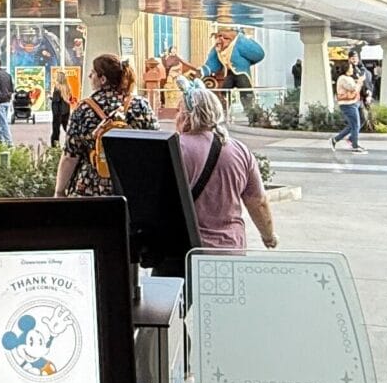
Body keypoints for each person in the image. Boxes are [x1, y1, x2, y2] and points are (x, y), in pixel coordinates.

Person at [176, 84, 277, 253]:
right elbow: (257, 202)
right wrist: (268, 236)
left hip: (183, 251)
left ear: (187, 116)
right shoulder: (240, 150)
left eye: (178, 111)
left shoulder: (175, 149)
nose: (176, 117)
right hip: (229, 251)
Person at [57, 54, 154, 195]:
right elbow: (154, 147)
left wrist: (59, 191)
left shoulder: (83, 109)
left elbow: (70, 156)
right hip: (132, 184)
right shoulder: (140, 105)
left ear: (103, 79)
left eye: (93, 72)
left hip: (91, 187)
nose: (90, 76)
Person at [327, 67, 364, 151]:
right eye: (350, 68)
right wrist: (359, 82)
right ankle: (355, 145)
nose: (352, 69)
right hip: (348, 104)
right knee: (355, 125)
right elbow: (352, 88)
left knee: (355, 124)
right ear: (346, 69)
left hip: (354, 102)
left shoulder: (349, 78)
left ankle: (336, 139)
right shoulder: (342, 78)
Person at [48, 72, 72, 148]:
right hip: (66, 111)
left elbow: (56, 101)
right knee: (67, 129)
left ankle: (55, 147)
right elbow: (67, 99)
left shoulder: (57, 88)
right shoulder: (68, 87)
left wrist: (50, 98)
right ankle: (71, 142)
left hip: (58, 112)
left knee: (56, 131)